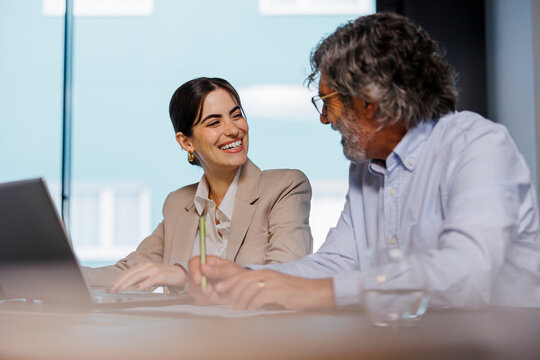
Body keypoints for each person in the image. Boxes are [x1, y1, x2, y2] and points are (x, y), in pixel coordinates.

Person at [187, 13, 540, 310]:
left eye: (328, 101)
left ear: (369, 100)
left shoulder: (478, 146)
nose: (325, 118)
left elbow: (466, 274)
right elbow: (340, 261)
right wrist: (249, 279)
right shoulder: (367, 168)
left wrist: (320, 293)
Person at [83, 77, 312, 293]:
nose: (233, 129)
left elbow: (285, 278)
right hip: (185, 335)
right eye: (214, 122)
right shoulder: (178, 203)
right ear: (186, 142)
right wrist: (55, 275)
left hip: (256, 334)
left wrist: (185, 276)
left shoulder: (285, 187)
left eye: (236, 115)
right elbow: (131, 272)